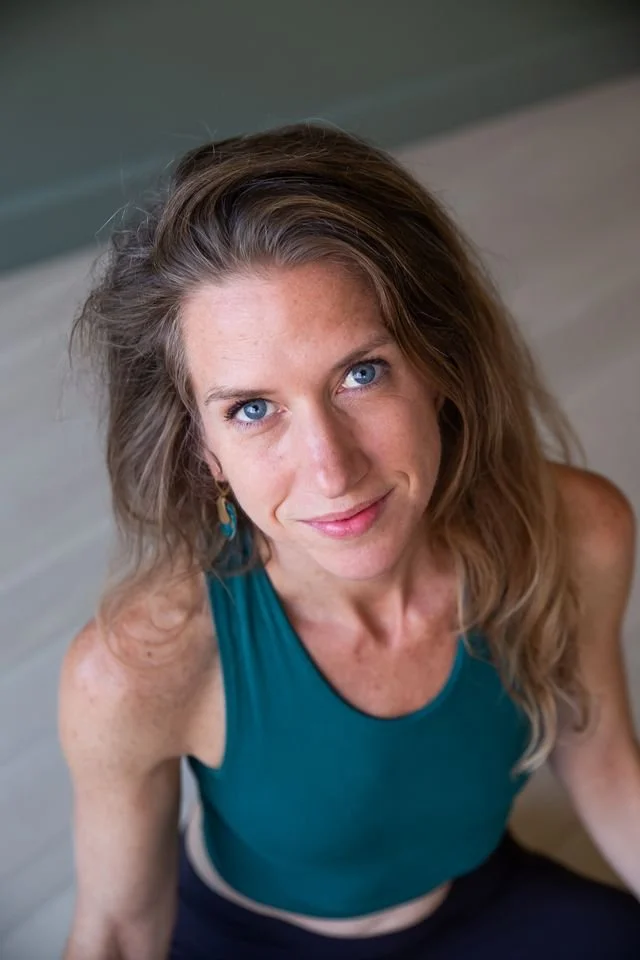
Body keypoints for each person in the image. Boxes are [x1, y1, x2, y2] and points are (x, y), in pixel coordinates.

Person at [59, 123, 640, 960]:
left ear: (440, 361)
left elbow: (607, 763)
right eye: (252, 409)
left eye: (361, 373)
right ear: (201, 446)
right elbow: (116, 932)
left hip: (479, 905)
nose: (330, 469)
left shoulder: (578, 532)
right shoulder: (137, 668)